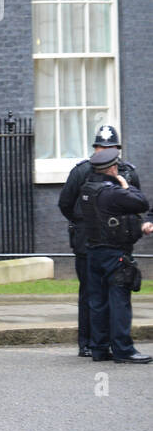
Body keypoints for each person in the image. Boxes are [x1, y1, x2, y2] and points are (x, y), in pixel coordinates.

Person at [58, 124, 140, 357]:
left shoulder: (128, 172)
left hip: (118, 244)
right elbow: (66, 204)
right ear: (94, 148)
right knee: (91, 294)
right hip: (88, 242)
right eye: (101, 147)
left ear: (117, 149)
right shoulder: (81, 172)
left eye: (110, 147)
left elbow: (137, 203)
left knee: (117, 293)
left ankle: (112, 344)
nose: (104, 151)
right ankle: (88, 342)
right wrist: (86, 224)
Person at [78, 147, 153, 364]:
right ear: (112, 168)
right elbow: (141, 202)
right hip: (114, 253)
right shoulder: (112, 193)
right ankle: (123, 350)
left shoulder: (87, 189)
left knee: (98, 302)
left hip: (93, 252)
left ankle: (99, 349)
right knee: (120, 300)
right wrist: (124, 183)